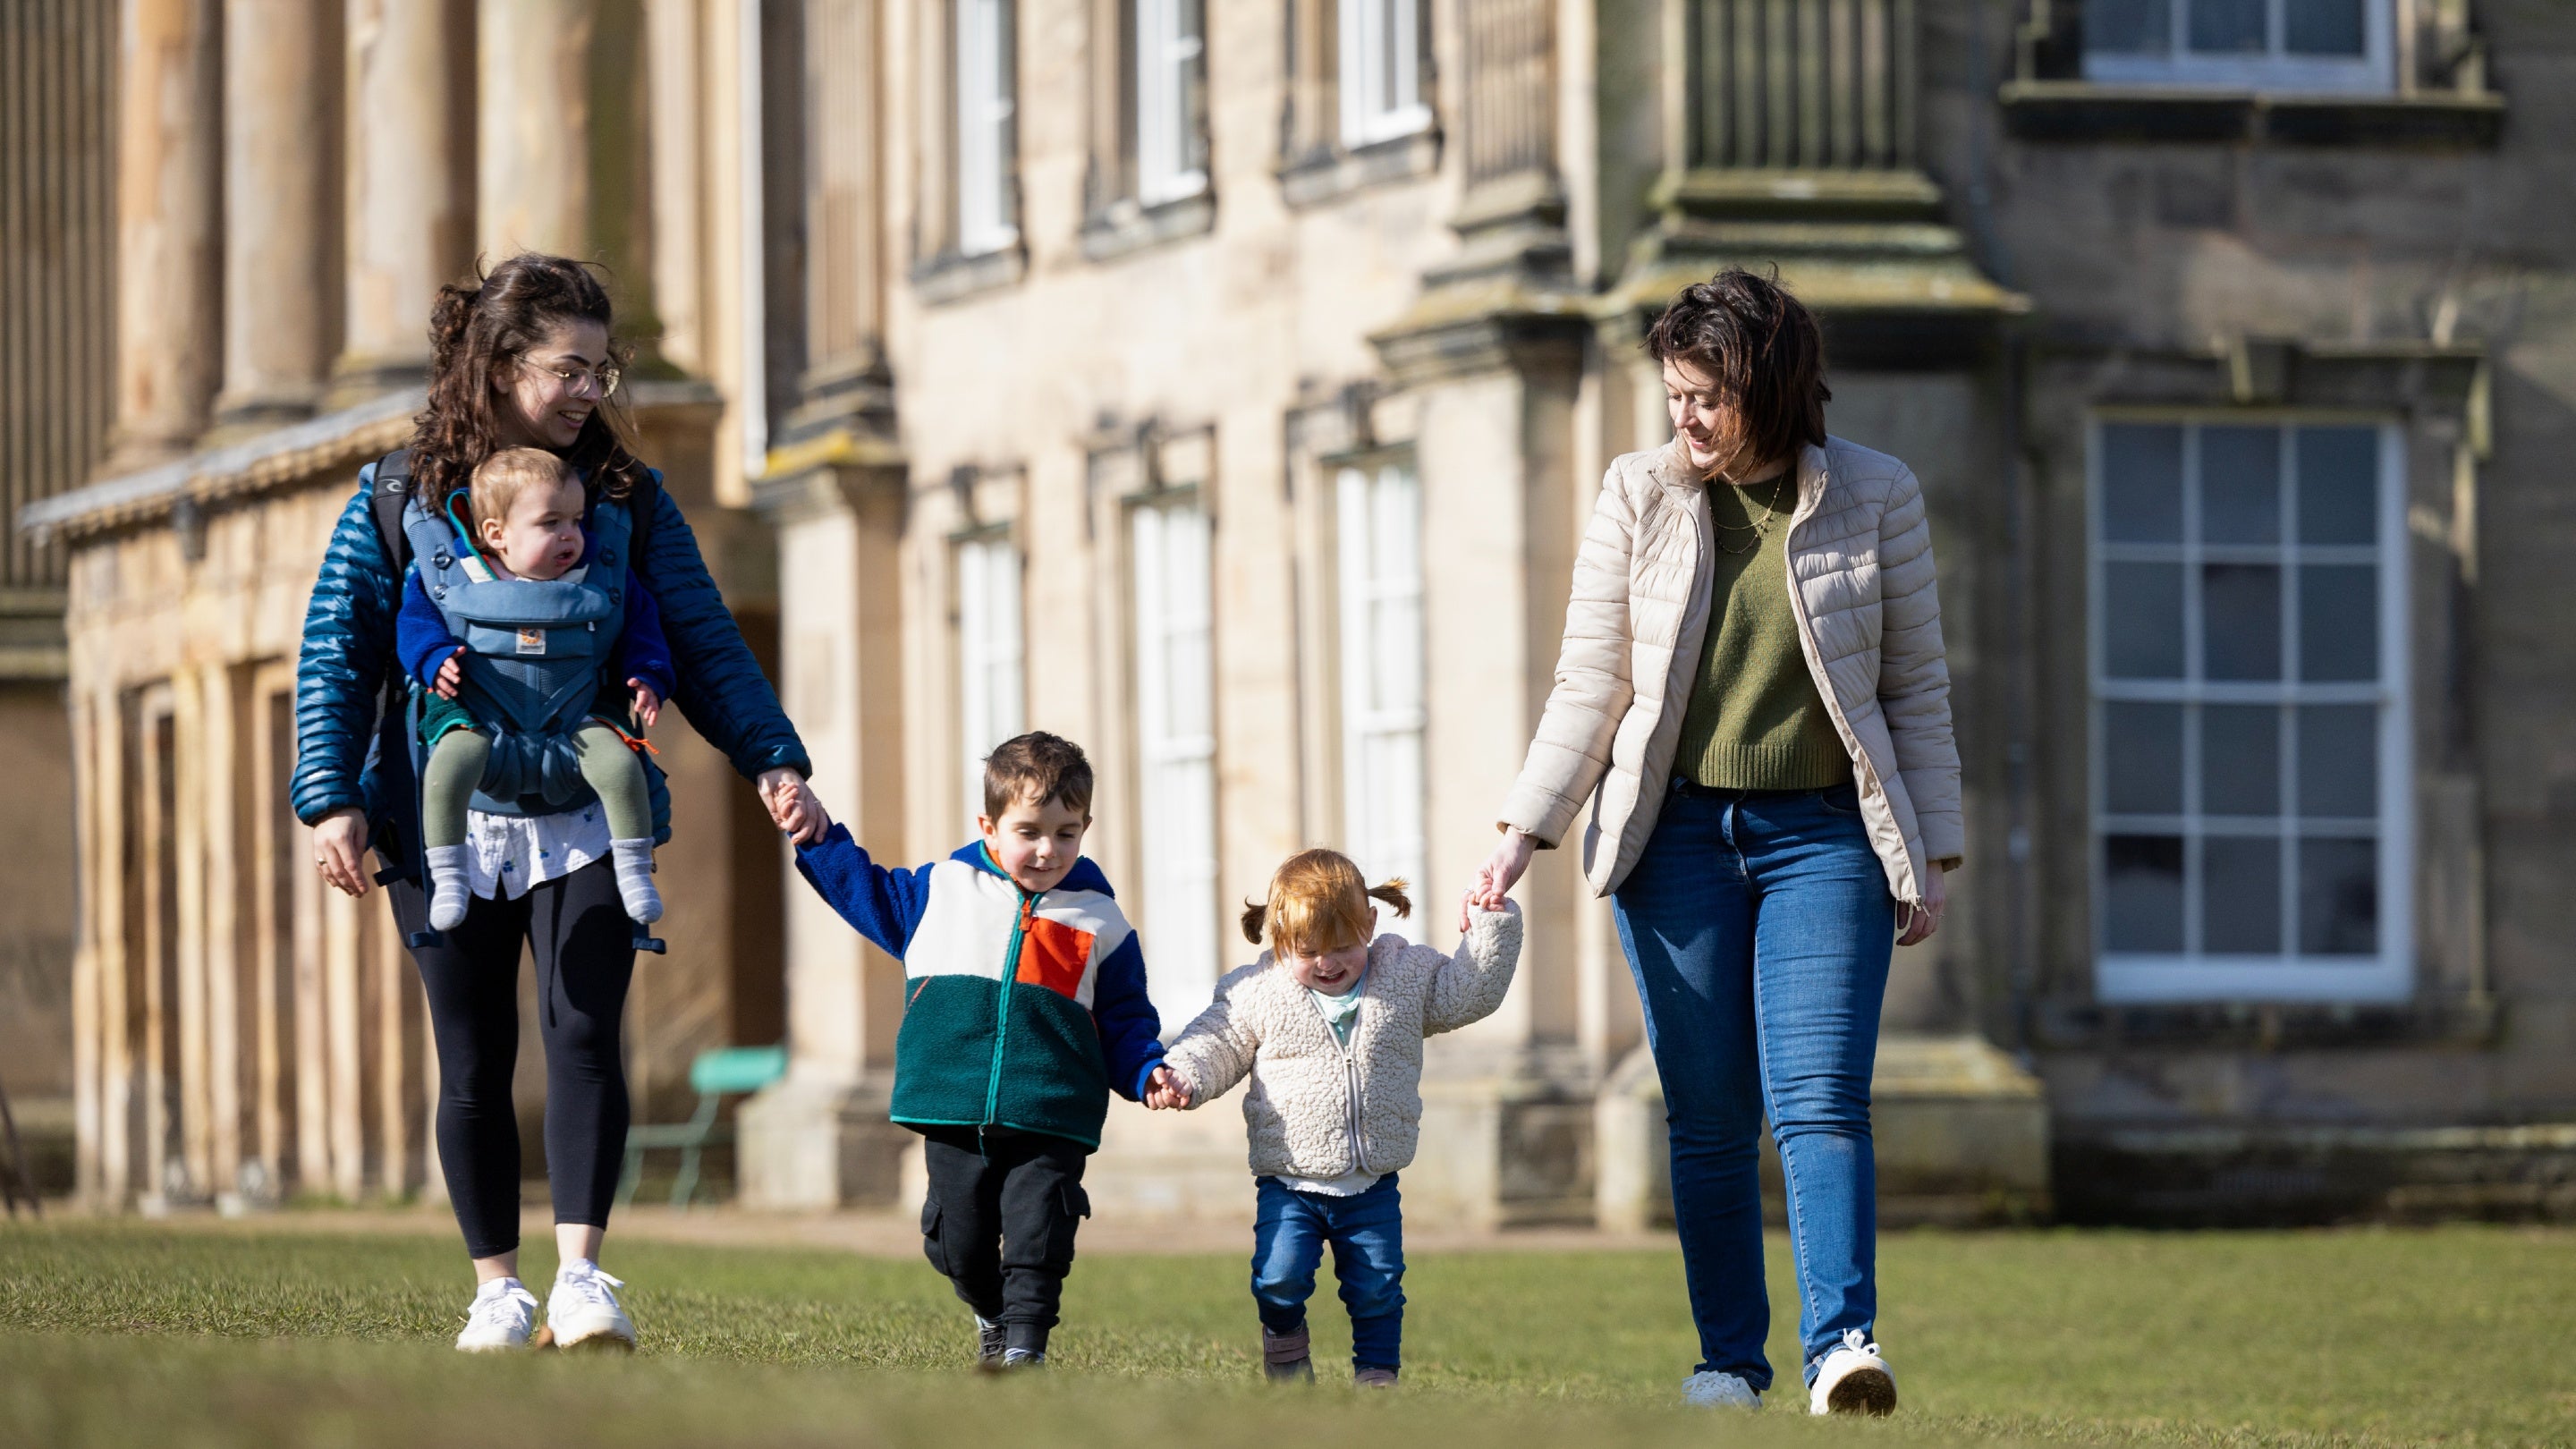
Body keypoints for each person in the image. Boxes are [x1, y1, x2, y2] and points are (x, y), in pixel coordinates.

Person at [292, 253, 830, 1353]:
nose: (596, 390)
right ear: (497, 368)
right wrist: (330, 796)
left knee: (586, 1032)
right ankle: (497, 1288)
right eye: (571, 368)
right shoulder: (398, 493)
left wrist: (772, 756)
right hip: (442, 815)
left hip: (587, 806)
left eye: (605, 366)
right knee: (474, 1052)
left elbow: (701, 635)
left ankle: (583, 1279)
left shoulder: (626, 497)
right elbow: (337, 650)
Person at [1464, 268, 1962, 1416]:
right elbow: (1592, 680)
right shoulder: (1637, 493)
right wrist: (1520, 832)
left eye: (1705, 398)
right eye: (1673, 396)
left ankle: (1843, 1349)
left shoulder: (1879, 495)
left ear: (1770, 388)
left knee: (1822, 1098)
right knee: (1706, 1113)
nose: (1683, 420)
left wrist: (1929, 849)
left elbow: (1916, 687)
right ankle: (1728, 1364)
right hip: (1676, 837)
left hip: (1824, 839)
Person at [789, 732, 1170, 1369]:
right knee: (959, 1248)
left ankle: (1025, 1347)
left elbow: (1126, 1019)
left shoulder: (1101, 921)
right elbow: (863, 888)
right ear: (988, 826)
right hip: (953, 1106)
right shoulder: (940, 892)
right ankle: (992, 1314)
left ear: (1086, 827)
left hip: (1051, 1113)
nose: (1049, 850)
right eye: (1030, 831)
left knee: (1038, 1234)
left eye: (1067, 832)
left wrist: (1148, 1070)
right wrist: (814, 833)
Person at [1148, 851, 1521, 1388]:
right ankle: (1286, 1352)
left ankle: (1377, 1377)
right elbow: (1217, 1039)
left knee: (1377, 1285)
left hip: (1369, 1182)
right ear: (1280, 940)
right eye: (1309, 951)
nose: (1328, 962)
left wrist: (1492, 921)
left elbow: (1468, 992)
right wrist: (1183, 1073)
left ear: (1369, 923)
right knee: (1278, 1278)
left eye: (1344, 946)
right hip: (1290, 1181)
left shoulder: (1405, 975)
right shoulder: (1256, 993)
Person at [397, 447, 674, 931]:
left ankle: (634, 870)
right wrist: (432, 657)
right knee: (448, 767)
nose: (571, 535)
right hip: (477, 716)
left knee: (619, 765)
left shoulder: (601, 577)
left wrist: (649, 675)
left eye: (577, 520)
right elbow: (414, 622)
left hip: (577, 718)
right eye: (550, 523)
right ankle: (449, 874)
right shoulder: (454, 576)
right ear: (495, 534)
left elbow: (642, 626)